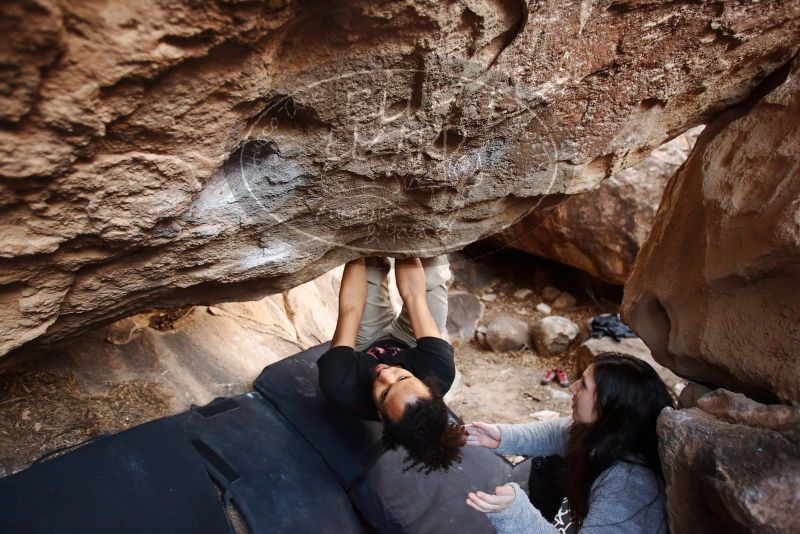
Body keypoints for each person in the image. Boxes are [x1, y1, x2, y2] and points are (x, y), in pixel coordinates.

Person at [464, 353, 673, 533]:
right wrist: (503, 436)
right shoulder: (613, 435)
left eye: (583, 385)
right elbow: (559, 432)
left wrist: (515, 512)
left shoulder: (628, 487)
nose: (572, 388)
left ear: (610, 405)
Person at [318, 256, 465, 472]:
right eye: (403, 378)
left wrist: (356, 247)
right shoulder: (438, 367)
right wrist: (404, 238)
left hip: (366, 343)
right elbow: (415, 297)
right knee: (430, 272)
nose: (386, 375)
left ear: (380, 415)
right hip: (411, 341)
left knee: (367, 266)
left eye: (385, 394)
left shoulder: (340, 383)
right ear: (428, 385)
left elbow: (351, 308)